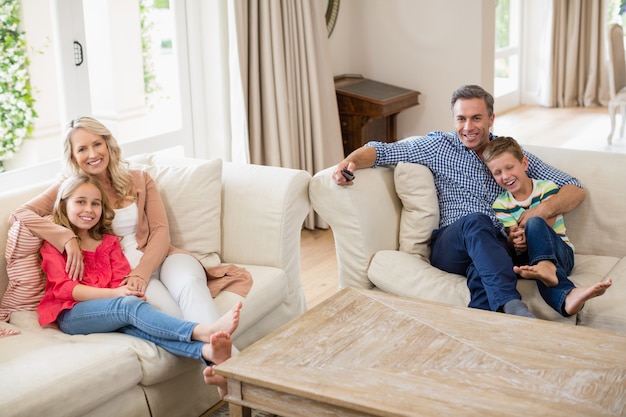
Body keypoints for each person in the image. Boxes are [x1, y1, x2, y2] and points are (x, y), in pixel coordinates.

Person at [332, 84, 586, 319]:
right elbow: (384, 151)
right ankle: (514, 305)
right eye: (461, 119)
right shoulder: (438, 147)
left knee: (483, 268)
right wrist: (348, 163)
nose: (468, 127)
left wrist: (541, 211)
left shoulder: (507, 155)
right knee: (477, 222)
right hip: (451, 244)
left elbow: (575, 188)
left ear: (491, 119)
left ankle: (486, 332)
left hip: (496, 248)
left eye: (476, 118)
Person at [12, 116, 243, 333]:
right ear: (73, 156)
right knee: (174, 317)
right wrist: (66, 238)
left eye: (97, 144)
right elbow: (21, 213)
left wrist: (142, 273)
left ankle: (224, 358)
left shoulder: (139, 178)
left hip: (164, 259)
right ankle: (224, 361)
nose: (92, 154)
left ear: (108, 145)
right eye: (82, 149)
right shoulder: (71, 190)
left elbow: (161, 230)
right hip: (124, 275)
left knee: (191, 285)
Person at [37, 174, 238, 395]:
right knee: (127, 306)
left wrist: (129, 292)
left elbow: (121, 278)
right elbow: (66, 289)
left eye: (96, 203)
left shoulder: (109, 242)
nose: (89, 209)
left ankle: (210, 356)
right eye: (80, 202)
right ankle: (203, 330)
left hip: (106, 310)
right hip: (71, 314)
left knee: (141, 325)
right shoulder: (55, 245)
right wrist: (118, 295)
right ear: (64, 204)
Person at [482, 136, 612, 316]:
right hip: (529, 259)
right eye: (497, 172)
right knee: (539, 272)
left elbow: (546, 226)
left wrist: (527, 231)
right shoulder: (500, 204)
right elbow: (513, 233)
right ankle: (569, 298)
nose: (505, 176)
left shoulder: (546, 188)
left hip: (561, 254)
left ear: (524, 164)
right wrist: (514, 240)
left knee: (536, 222)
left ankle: (546, 265)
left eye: (510, 167)